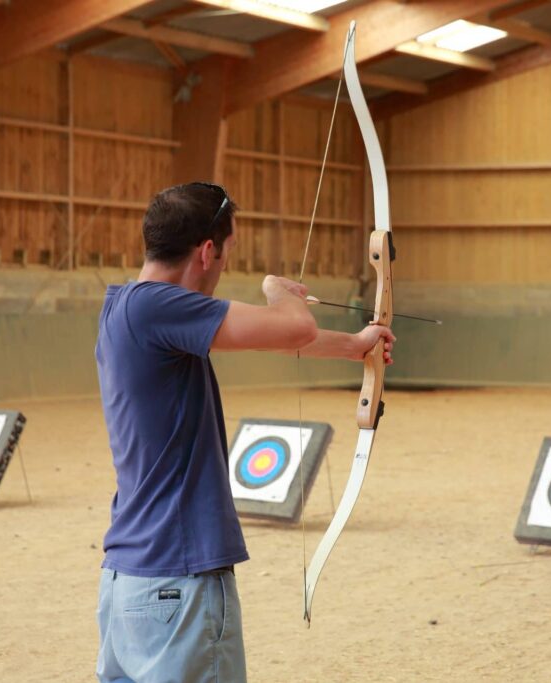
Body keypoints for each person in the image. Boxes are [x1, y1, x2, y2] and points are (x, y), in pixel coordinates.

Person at [94, 182, 395, 683]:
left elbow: (273, 336)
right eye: (228, 252)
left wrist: (355, 345)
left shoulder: (130, 308)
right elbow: (294, 327)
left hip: (129, 584)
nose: (225, 266)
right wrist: (279, 293)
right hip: (178, 584)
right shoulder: (157, 307)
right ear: (206, 251)